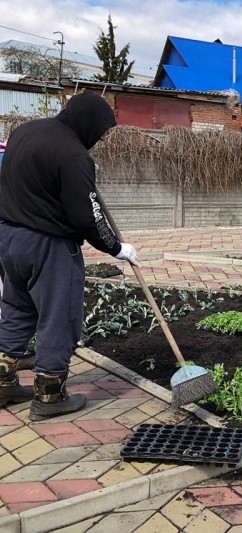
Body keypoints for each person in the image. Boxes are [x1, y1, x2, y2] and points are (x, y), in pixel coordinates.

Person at [0, 91, 139, 419]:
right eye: (102, 130)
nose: (102, 137)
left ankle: (3, 381)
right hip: (48, 246)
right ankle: (50, 396)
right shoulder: (74, 155)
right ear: (88, 122)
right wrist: (117, 248)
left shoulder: (24, 132)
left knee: (17, 308)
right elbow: (85, 217)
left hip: (8, 238)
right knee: (58, 316)